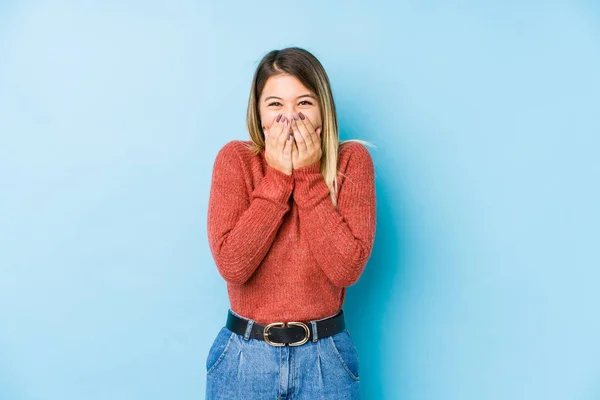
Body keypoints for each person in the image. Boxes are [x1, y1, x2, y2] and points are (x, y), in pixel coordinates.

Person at [205, 46, 377, 399]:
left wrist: (309, 176)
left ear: (322, 112)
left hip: (324, 359)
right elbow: (233, 264)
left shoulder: (351, 161)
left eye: (303, 103)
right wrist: (280, 176)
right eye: (275, 105)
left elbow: (346, 269)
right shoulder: (235, 161)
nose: (290, 118)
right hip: (244, 358)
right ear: (259, 114)